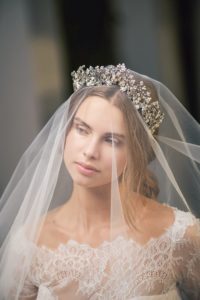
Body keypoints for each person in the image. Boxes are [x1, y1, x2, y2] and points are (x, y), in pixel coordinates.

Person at [0, 64, 200, 299]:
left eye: (112, 140)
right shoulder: (29, 246)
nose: (90, 151)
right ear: (65, 131)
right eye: (82, 129)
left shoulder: (182, 237)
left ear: (137, 152)